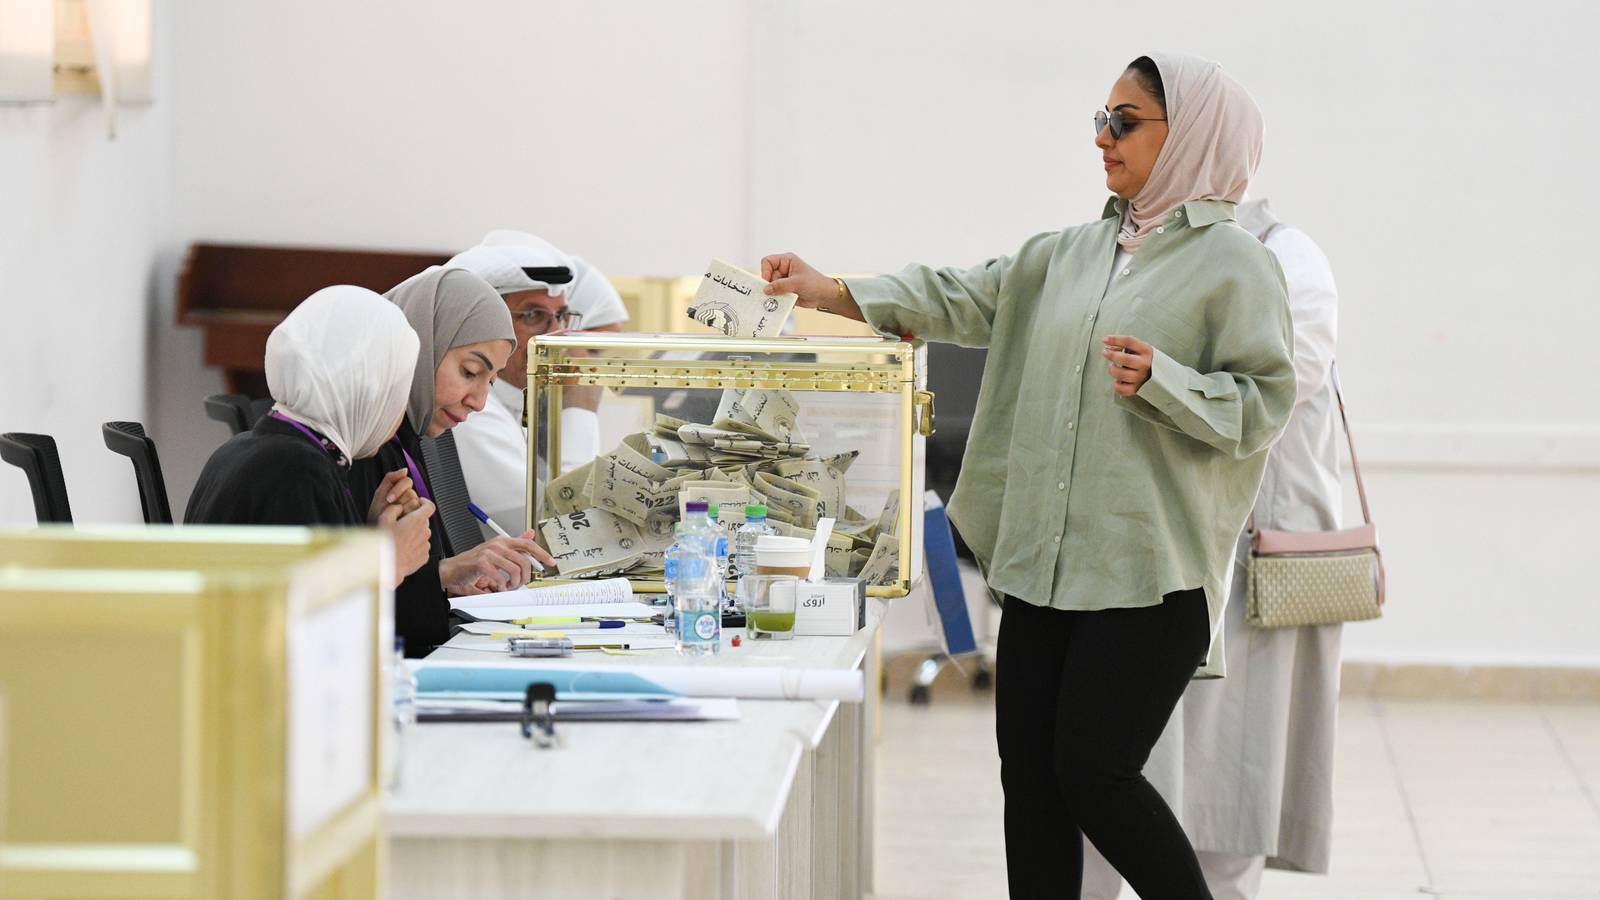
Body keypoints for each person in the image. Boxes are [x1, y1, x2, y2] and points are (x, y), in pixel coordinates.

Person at [760, 52, 1295, 898]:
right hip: (1044, 571)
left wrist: (1167, 381)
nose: (1103, 138)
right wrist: (837, 291)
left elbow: (1263, 405)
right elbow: (964, 296)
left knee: (1095, 776)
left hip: (1150, 577)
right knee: (1032, 788)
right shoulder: (1068, 254)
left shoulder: (1237, 264)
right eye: (1100, 119)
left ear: (1189, 134)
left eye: (1126, 122)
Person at [1080, 197, 1344, 900]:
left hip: (1252, 563)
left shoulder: (1290, 257)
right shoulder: (1120, 246)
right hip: (1141, 549)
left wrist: (1161, 372)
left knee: (1229, 788)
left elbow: (1275, 391)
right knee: (1106, 774)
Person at [349, 266, 556, 656]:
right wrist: (439, 577)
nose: (478, 401)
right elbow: (348, 608)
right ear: (418, 346)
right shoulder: (363, 450)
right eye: (469, 372)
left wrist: (447, 577)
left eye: (490, 382)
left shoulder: (408, 440)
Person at [185, 285, 434, 586]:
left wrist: (370, 536)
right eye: (397, 392)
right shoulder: (296, 471)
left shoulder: (257, 448)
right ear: (367, 390)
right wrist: (390, 561)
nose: (398, 411)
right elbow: (308, 621)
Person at [446, 231, 631, 537]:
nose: (555, 335)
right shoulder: (470, 410)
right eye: (533, 315)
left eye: (561, 316)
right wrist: (580, 407)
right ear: (485, 321)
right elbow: (567, 530)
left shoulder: (518, 403)